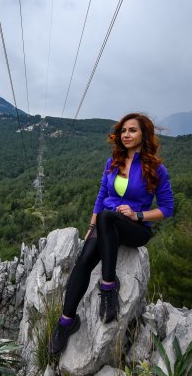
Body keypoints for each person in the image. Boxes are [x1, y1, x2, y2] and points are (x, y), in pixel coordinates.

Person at [48, 112, 174, 356]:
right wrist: (90, 228)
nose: (126, 135)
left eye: (132, 130)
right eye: (123, 131)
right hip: (106, 223)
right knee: (83, 261)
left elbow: (167, 208)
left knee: (108, 217)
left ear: (144, 134)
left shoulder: (156, 169)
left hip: (135, 229)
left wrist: (138, 215)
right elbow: (101, 196)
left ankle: (108, 287)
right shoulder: (112, 162)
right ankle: (66, 322)